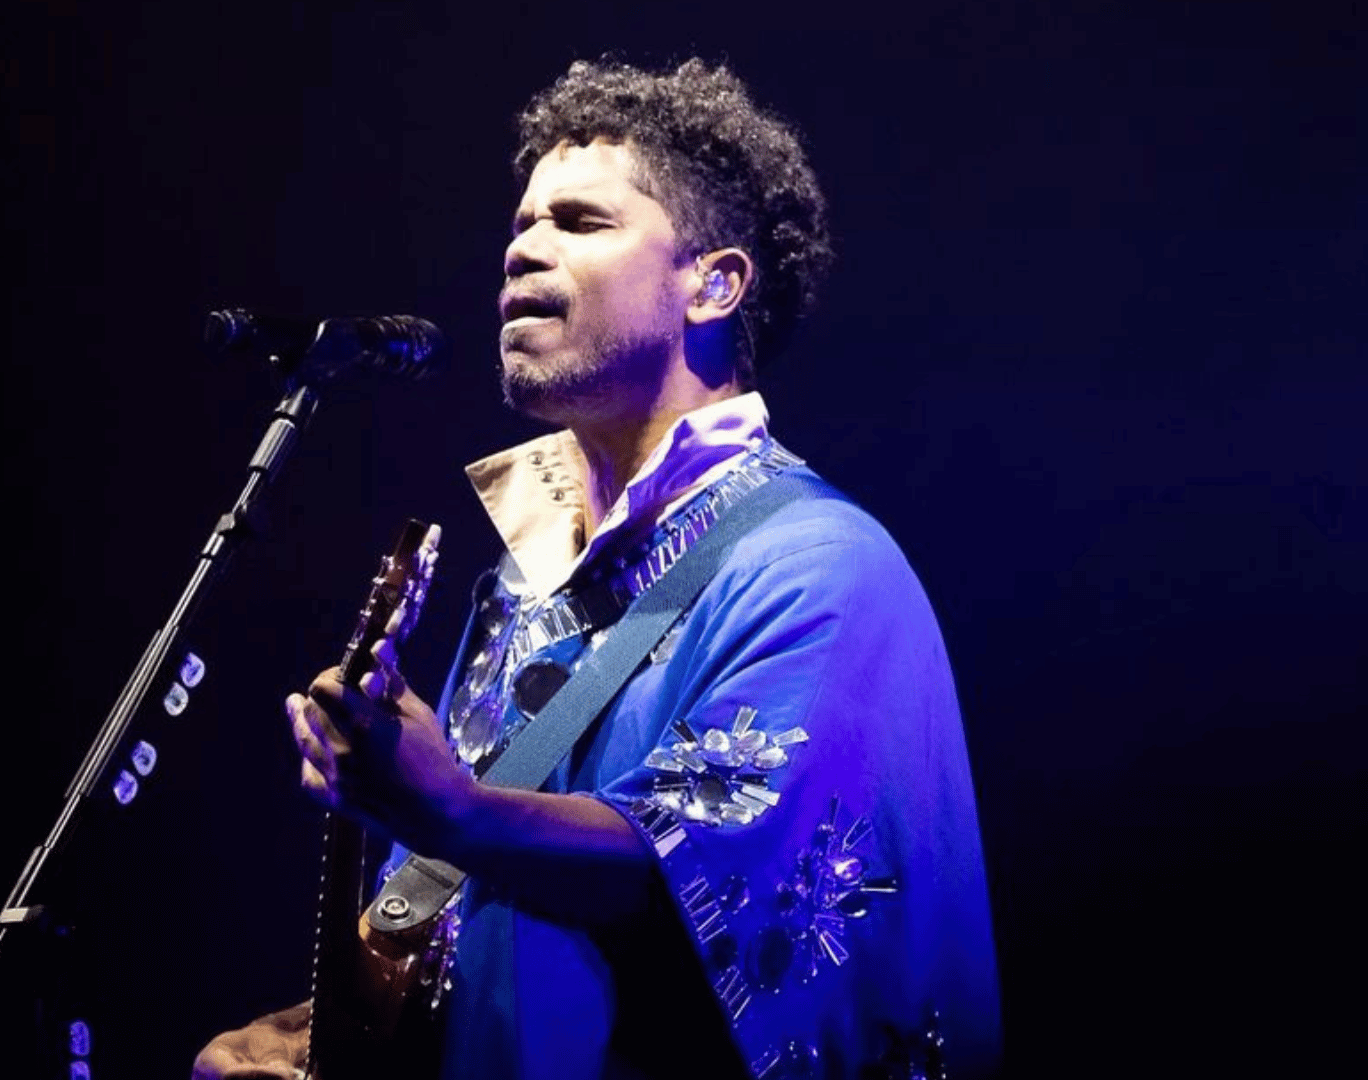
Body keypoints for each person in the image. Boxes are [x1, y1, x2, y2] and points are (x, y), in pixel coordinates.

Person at [196, 58, 1001, 1080]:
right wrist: (325, 1035)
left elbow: (700, 884)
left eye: (579, 222)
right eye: (522, 222)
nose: (523, 246)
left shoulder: (818, 567)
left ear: (713, 283)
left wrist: (449, 807)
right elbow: (482, 930)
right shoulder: (527, 581)